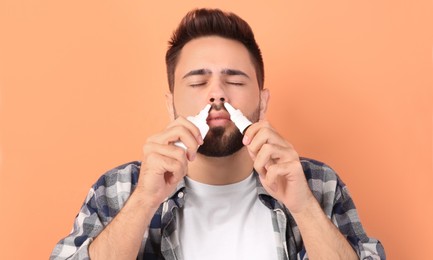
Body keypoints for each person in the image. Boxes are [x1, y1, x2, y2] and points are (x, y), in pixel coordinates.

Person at [50, 8, 385, 260]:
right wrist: (142, 202)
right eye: (198, 82)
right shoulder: (118, 190)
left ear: (262, 101)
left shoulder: (317, 184)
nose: (217, 94)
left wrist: (305, 209)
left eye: (236, 81)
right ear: (171, 106)